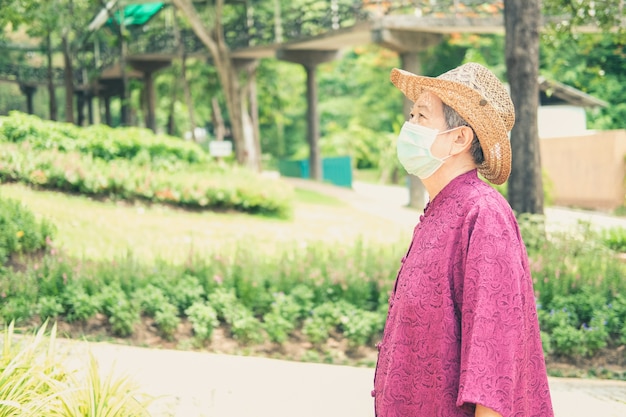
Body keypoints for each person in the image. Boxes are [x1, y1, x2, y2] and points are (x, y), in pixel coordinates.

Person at [372, 63, 554, 417]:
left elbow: (494, 368)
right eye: (410, 114)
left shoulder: (482, 215)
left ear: (459, 139)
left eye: (421, 116)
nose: (408, 127)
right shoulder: (442, 209)